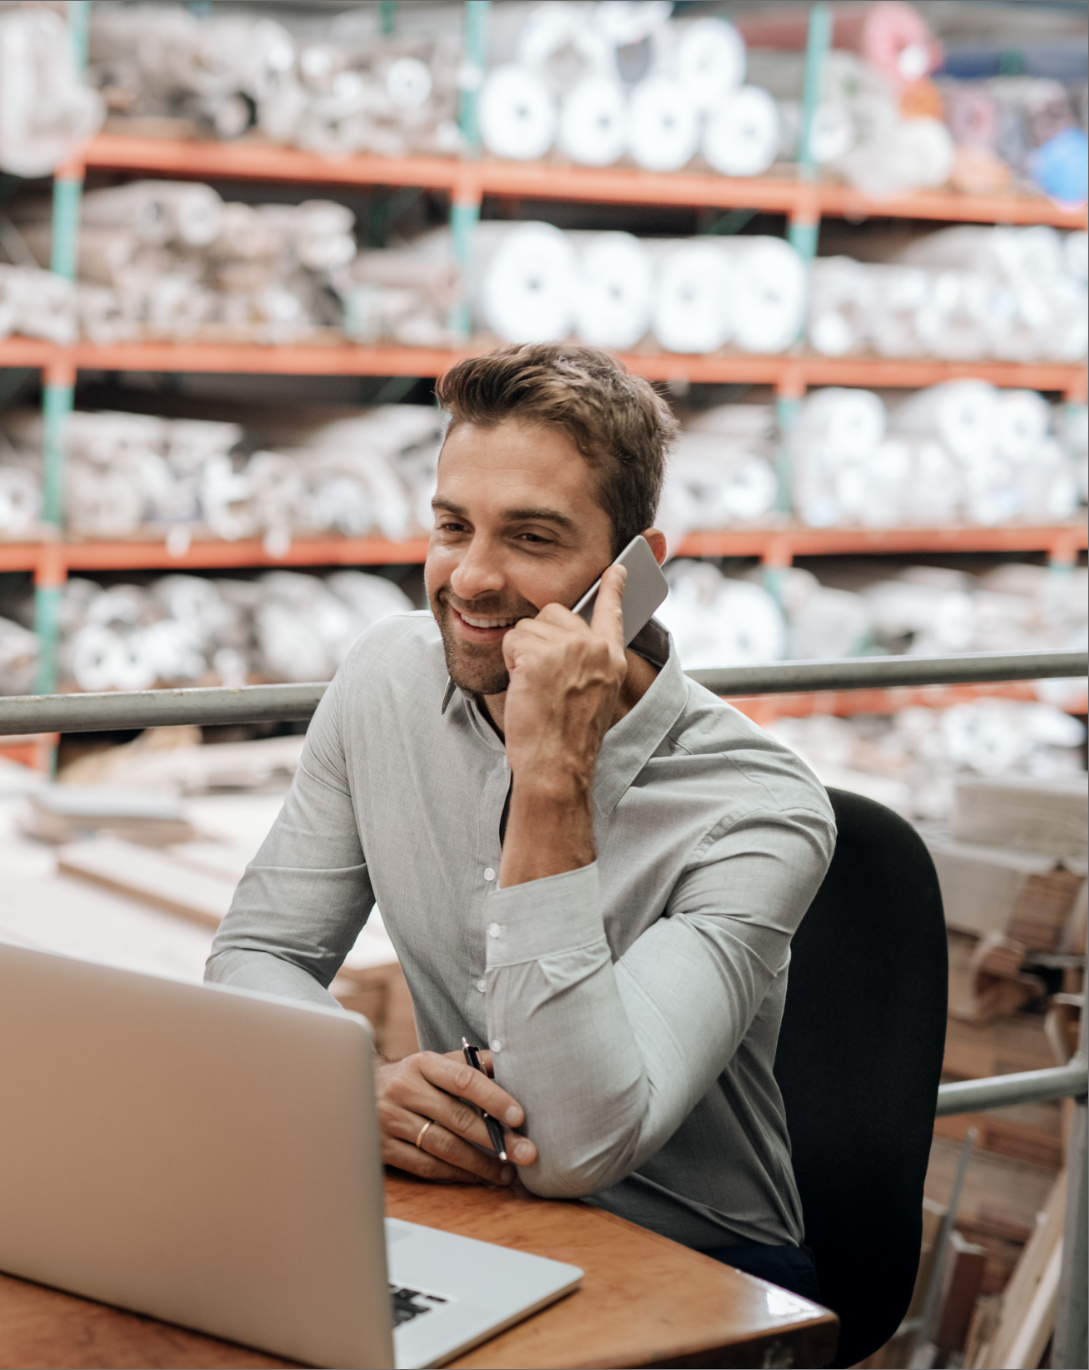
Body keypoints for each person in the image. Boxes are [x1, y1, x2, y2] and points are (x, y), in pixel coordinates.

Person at [206, 342, 835, 1301]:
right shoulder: (385, 679)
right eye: (453, 526)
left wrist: (552, 776)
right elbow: (258, 952)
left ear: (635, 570)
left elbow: (577, 1145)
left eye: (531, 538)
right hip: (473, 1219)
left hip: (697, 1262)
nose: (470, 579)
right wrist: (352, 1084)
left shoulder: (759, 808)